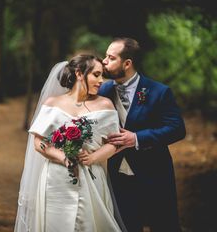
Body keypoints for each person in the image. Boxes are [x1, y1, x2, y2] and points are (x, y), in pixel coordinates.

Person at [14, 54, 127, 232]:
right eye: (96, 75)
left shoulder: (105, 105)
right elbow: (39, 142)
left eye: (102, 75)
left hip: (91, 174)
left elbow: (114, 143)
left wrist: (93, 157)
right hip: (55, 177)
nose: (101, 81)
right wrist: (64, 157)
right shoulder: (52, 103)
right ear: (79, 74)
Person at [98, 37, 186, 232]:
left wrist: (137, 138)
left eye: (110, 58)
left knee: (163, 225)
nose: (104, 61)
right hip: (116, 175)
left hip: (154, 174)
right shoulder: (102, 90)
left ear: (127, 63)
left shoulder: (159, 91)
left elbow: (177, 128)